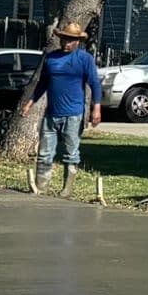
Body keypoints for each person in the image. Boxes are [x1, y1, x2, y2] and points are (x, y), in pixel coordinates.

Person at [27, 20, 104, 196]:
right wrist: (30, 102)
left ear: (78, 41)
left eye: (70, 40)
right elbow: (42, 83)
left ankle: (67, 189)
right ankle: (41, 186)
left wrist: (96, 108)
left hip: (74, 114)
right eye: (64, 39)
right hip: (51, 113)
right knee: (44, 152)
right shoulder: (51, 58)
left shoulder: (84, 59)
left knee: (71, 152)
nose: (66, 42)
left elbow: (94, 83)